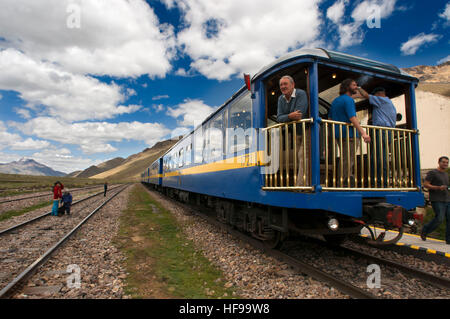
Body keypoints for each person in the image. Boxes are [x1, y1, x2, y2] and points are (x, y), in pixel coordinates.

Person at [329, 79, 371, 186]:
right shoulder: (348, 100)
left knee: (344, 159)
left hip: (338, 134)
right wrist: (363, 133)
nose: (356, 87)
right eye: (354, 85)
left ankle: (340, 182)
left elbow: (330, 118)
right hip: (350, 135)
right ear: (347, 87)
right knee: (348, 160)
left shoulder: (335, 101)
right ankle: (344, 183)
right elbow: (352, 117)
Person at [356, 86, 396, 187]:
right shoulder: (388, 103)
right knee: (382, 157)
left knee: (378, 158)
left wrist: (358, 87)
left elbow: (365, 95)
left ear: (378, 94)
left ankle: (379, 183)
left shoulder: (381, 100)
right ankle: (382, 182)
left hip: (381, 131)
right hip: (387, 132)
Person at [276, 75, 309, 186]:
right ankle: (304, 183)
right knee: (299, 157)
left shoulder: (300, 94)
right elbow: (279, 118)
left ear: (293, 85)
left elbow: (299, 114)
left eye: (285, 84)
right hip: (295, 132)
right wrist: (290, 116)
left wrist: (287, 117)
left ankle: (301, 185)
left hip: (308, 129)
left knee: (303, 157)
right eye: (281, 85)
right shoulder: (281, 99)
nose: (283, 86)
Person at [421, 156, 449, 244]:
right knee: (439, 218)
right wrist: (438, 188)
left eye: (447, 163)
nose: (445, 164)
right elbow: (425, 184)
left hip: (448, 200)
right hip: (437, 199)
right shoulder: (433, 173)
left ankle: (448, 240)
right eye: (443, 162)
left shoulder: (446, 174)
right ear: (439, 162)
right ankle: (425, 230)